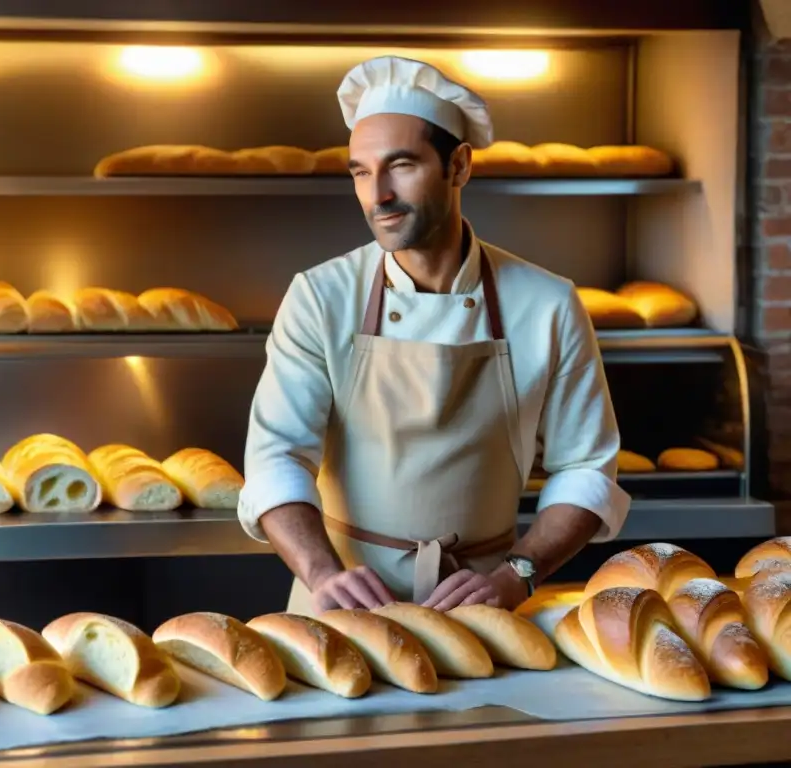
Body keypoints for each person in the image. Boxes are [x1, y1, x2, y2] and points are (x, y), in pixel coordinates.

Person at [237, 55, 630, 617]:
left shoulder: (547, 304)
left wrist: (519, 572)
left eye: (401, 165)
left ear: (460, 166)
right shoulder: (320, 297)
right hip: (342, 605)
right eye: (361, 172)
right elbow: (276, 457)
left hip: (483, 610)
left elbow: (587, 468)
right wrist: (323, 573)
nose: (379, 195)